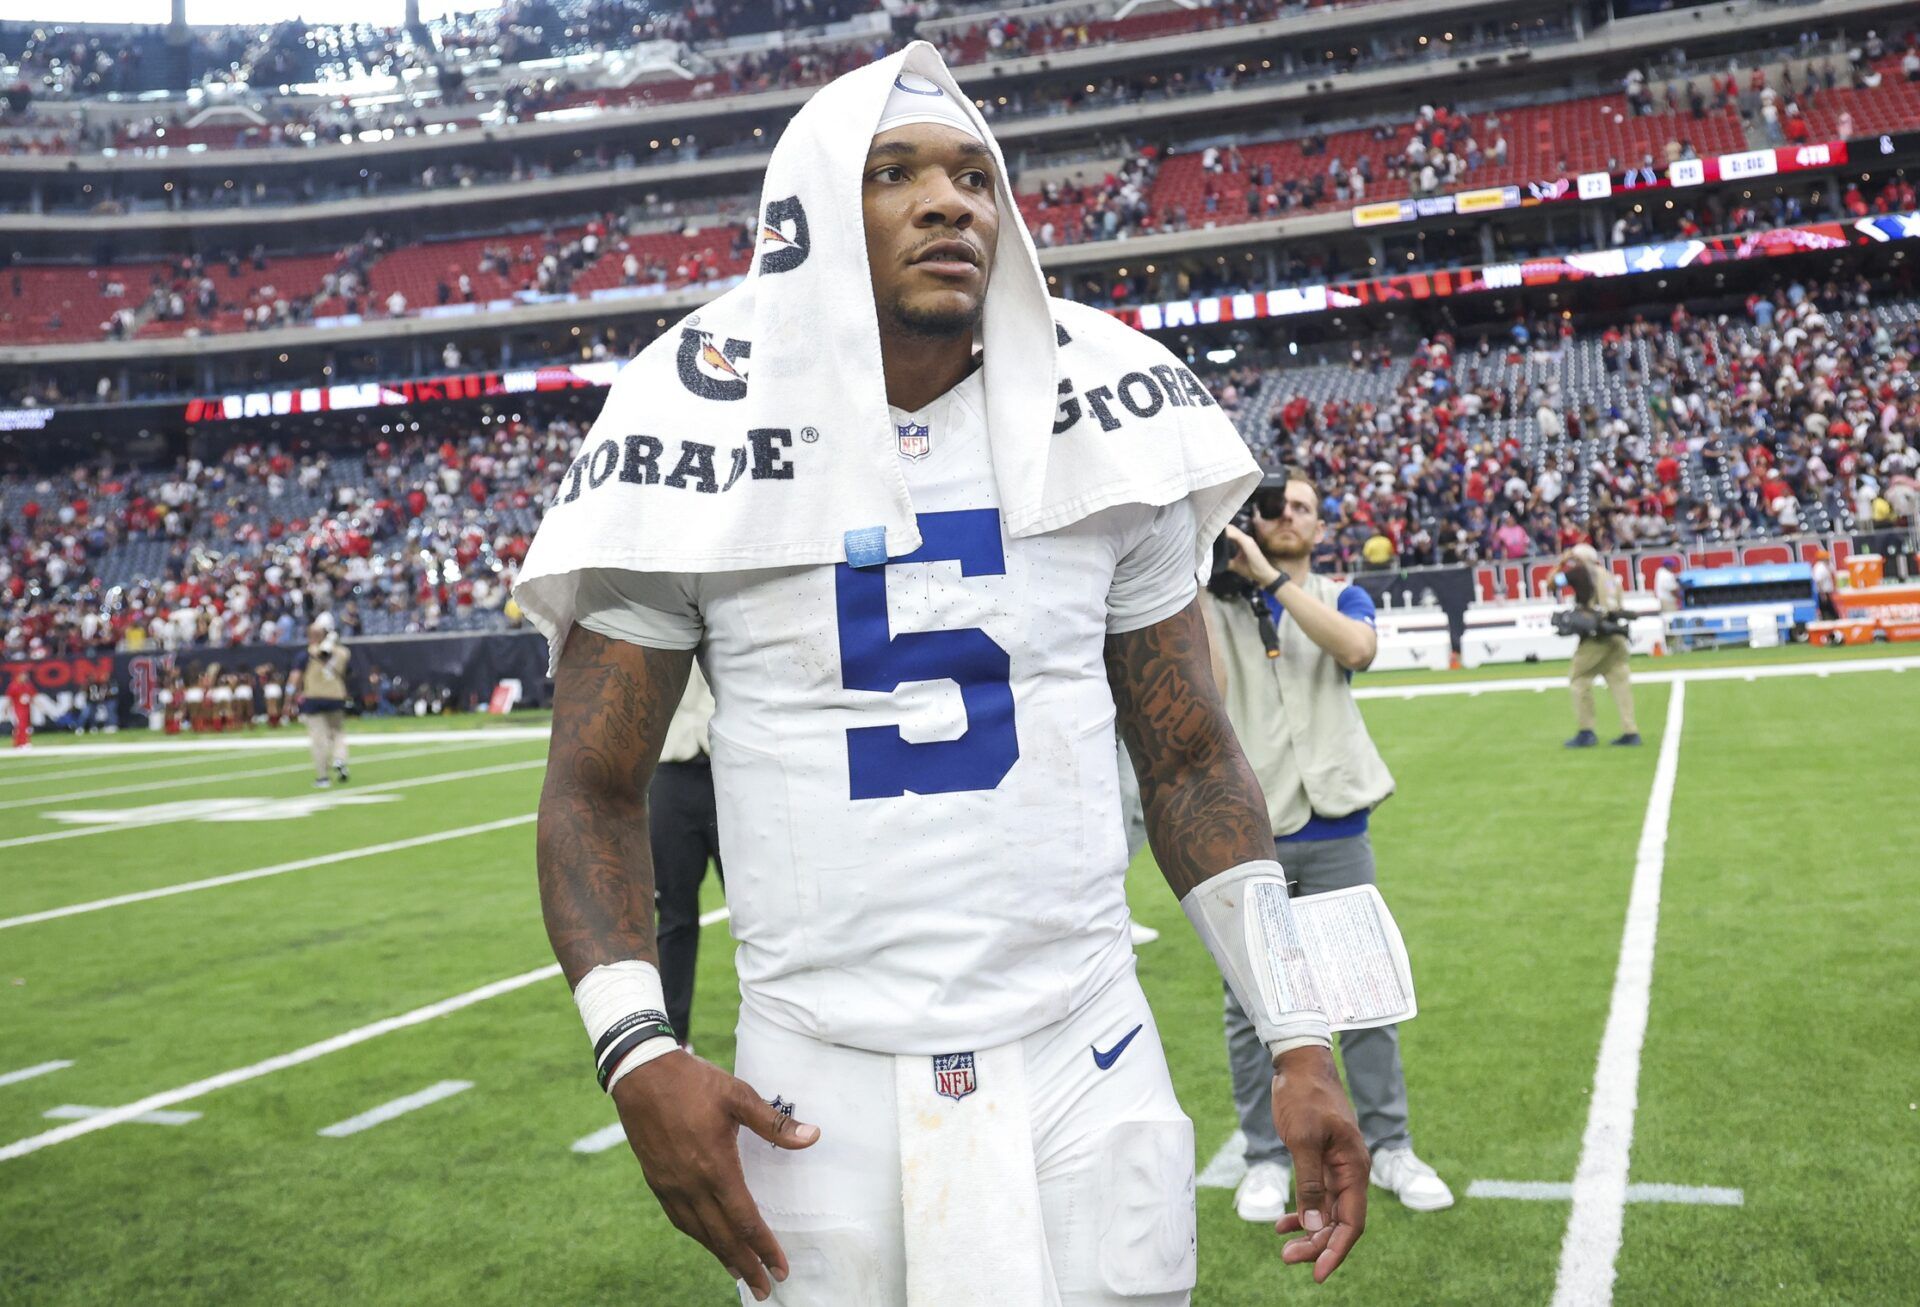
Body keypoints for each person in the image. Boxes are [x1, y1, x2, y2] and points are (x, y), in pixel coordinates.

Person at [517, 47, 1372, 1307]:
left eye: (977, 174)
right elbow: (592, 786)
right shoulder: (690, 412)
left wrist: (1298, 1030)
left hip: (1083, 1036)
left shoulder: (1107, 397)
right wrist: (636, 1045)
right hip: (820, 1065)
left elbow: (1191, 754)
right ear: (808, 205)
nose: (950, 201)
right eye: (896, 172)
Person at [1202, 473, 1454, 1223]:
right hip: (1251, 833)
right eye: (1275, 506)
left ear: (1320, 529)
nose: (1288, 515)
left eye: (1303, 509)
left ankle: (1392, 1144)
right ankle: (1265, 1156)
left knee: (1364, 994)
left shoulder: (1341, 594)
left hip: (1337, 821)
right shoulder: (1211, 604)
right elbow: (1208, 691)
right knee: (1254, 1007)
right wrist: (1210, 574)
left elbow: (1358, 649)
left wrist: (1274, 581)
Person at [650, 662, 725, 1048]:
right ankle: (673, 1038)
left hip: (732, 767)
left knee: (761, 913)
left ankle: (789, 1025)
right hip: (670, 767)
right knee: (675, 917)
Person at [1559, 544, 1639, 747]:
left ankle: (1586, 731)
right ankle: (1630, 730)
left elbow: (1557, 581)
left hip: (1597, 637)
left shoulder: (1588, 575)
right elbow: (1617, 606)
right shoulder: (1611, 577)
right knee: (1620, 681)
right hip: (1616, 634)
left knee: (1579, 679)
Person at [291, 621, 352, 787]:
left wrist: (290, 696)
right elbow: (348, 673)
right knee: (337, 733)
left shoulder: (306, 654)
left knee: (318, 737)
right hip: (336, 696)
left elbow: (295, 677)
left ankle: (323, 776)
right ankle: (339, 759)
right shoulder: (342, 652)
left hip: (314, 697)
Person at [7, 671, 34, 750]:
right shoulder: (13, 686)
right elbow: (9, 698)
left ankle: (24, 742)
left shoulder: (27, 685)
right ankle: (21, 743)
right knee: (20, 726)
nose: (24, 677)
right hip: (17, 709)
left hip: (26, 708)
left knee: (26, 727)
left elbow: (32, 695)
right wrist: (6, 709)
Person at [1812, 548, 1839, 622]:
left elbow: (1833, 575)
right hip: (1824, 593)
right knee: (1828, 611)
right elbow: (1818, 582)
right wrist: (1822, 594)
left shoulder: (1829, 565)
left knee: (1834, 610)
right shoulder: (1819, 568)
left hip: (1831, 592)